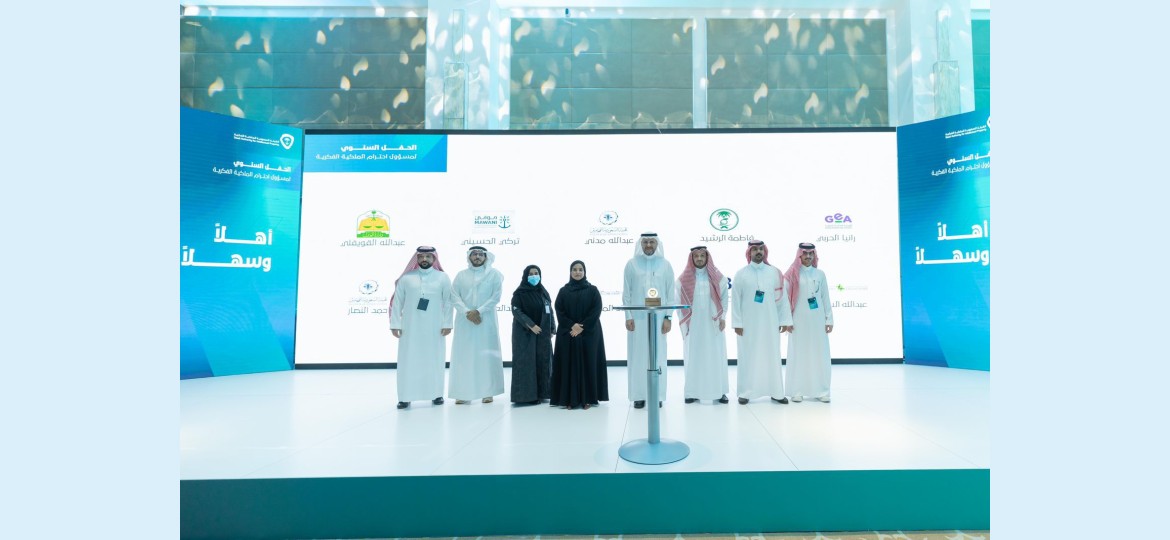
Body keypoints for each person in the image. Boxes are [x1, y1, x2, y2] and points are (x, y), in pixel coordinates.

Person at [389, 246, 454, 410]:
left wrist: (447, 323)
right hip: (410, 328)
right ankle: (405, 397)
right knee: (408, 360)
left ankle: (436, 394)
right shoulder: (406, 278)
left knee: (435, 359)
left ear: (434, 259)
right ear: (416, 259)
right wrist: (395, 324)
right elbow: (397, 303)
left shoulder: (443, 277)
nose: (424, 259)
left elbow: (448, 302)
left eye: (428, 256)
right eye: (421, 257)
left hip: (435, 327)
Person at [731, 240, 793, 405]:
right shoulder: (741, 274)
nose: (758, 252)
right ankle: (746, 392)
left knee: (772, 355)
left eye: (761, 249)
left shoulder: (775, 272)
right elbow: (735, 300)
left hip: (770, 322)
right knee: (748, 356)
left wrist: (784, 320)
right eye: (755, 250)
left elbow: (782, 299)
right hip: (748, 324)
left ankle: (776, 392)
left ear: (764, 252)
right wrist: (737, 323)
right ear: (749, 253)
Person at [622, 232, 676, 409]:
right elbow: (627, 293)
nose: (648, 245)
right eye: (645, 242)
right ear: (640, 244)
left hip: (659, 320)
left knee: (658, 356)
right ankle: (639, 395)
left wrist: (668, 317)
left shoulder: (665, 265)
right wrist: (628, 316)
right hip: (637, 321)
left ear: (657, 244)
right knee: (637, 357)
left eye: (652, 242)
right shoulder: (631, 264)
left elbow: (670, 294)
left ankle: (657, 394)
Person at [448, 246, 505, 405]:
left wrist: (478, 311)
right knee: (464, 356)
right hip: (465, 321)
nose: (477, 257)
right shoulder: (461, 275)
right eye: (474, 254)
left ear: (486, 257)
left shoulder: (494, 274)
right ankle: (462, 392)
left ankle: (488, 392)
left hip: (486, 320)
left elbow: (496, 297)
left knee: (486, 356)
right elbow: (454, 296)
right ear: (469, 257)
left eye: (480, 254)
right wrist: (467, 312)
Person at [676, 246, 731, 404]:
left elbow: (724, 299)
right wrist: (685, 323)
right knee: (694, 356)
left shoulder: (718, 278)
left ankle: (720, 391)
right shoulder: (682, 280)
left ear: (707, 258)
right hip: (694, 326)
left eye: (702, 256)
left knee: (716, 356)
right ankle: (692, 392)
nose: (699, 258)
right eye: (696, 256)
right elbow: (679, 303)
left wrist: (723, 318)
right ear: (692, 259)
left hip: (713, 324)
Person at [550, 260, 609, 410]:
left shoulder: (593, 290)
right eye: (574, 269)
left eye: (580, 269)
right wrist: (572, 325)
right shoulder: (563, 291)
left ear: (584, 272)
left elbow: (596, 310)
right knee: (568, 365)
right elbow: (559, 310)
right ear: (570, 272)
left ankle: (588, 398)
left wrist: (581, 326)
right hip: (568, 332)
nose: (577, 272)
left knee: (588, 363)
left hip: (589, 333)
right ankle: (568, 399)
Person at [784, 242, 835, 403]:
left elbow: (825, 298)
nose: (808, 256)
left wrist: (829, 319)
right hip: (797, 321)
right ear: (799, 255)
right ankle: (797, 390)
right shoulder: (791, 274)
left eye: (810, 254)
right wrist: (787, 320)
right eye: (805, 253)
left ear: (814, 255)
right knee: (799, 354)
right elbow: (785, 300)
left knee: (819, 354)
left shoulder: (820, 274)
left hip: (817, 321)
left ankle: (821, 391)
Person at [509, 264, 554, 405]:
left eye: (536, 273)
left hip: (542, 334)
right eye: (531, 274)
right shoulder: (519, 293)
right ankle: (527, 396)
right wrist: (531, 325)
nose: (534, 276)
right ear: (525, 276)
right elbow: (517, 311)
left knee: (543, 362)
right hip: (525, 334)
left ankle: (543, 393)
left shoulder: (543, 292)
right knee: (526, 363)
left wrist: (552, 328)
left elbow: (550, 310)